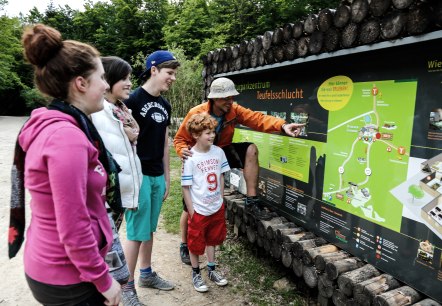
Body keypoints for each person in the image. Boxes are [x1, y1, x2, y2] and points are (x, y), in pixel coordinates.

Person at [9, 24, 121, 305]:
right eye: (102, 78)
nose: (107, 85)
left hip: (57, 268)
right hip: (68, 277)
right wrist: (103, 280)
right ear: (81, 83)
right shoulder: (65, 137)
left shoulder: (59, 125)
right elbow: (73, 225)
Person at [174, 77, 305, 265]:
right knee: (190, 206)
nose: (230, 101)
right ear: (214, 99)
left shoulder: (234, 111)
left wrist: (283, 126)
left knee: (250, 149)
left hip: (222, 150)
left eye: (232, 97)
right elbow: (179, 139)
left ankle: (252, 200)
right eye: (226, 98)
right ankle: (184, 244)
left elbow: (258, 119)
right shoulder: (196, 113)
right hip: (200, 156)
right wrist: (182, 151)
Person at [123, 50, 180, 291]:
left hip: (157, 175)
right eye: (170, 73)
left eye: (175, 74)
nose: (173, 78)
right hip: (137, 175)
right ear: (154, 70)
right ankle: (126, 286)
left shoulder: (164, 104)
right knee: (136, 232)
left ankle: (146, 274)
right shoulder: (132, 101)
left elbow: (165, 143)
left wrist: (167, 177)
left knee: (149, 228)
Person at [90, 56, 144, 306]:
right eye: (124, 78)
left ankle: (109, 291)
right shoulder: (98, 112)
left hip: (120, 195)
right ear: (108, 80)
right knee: (104, 249)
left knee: (109, 247)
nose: (129, 83)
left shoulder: (123, 110)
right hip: (105, 197)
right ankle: (106, 292)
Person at [181, 112, 230, 292]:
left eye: (212, 132)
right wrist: (192, 211)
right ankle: (196, 272)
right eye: (207, 133)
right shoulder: (190, 157)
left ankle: (211, 269)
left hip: (216, 206)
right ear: (196, 135)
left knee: (212, 239)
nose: (212, 135)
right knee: (195, 242)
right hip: (199, 209)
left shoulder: (219, 152)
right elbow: (186, 187)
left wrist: (221, 198)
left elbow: (222, 176)